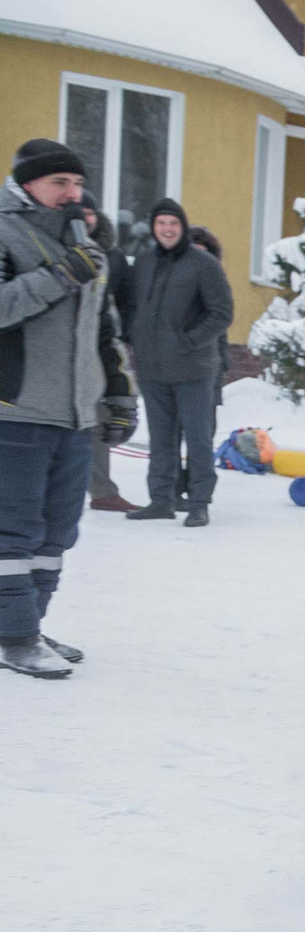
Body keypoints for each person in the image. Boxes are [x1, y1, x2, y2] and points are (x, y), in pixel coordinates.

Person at [0, 139, 138, 680]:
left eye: (77, 184)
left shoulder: (87, 245)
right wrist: (60, 275)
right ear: (28, 184)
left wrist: (119, 395)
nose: (73, 194)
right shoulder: (6, 232)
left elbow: (105, 329)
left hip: (75, 415)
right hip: (16, 410)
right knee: (13, 532)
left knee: (57, 535)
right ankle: (15, 636)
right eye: (60, 183)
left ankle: (24, 623)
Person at [121, 197, 233, 527]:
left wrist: (189, 341)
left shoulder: (203, 264)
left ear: (182, 228)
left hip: (193, 369)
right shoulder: (142, 262)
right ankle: (161, 500)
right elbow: (131, 305)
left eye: (173, 223)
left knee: (198, 439)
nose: (167, 229)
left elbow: (222, 313)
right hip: (152, 369)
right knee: (161, 439)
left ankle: (199, 502)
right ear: (153, 228)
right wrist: (133, 336)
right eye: (161, 223)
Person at [76, 201, 141, 513]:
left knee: (100, 418)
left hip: (99, 347)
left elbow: (126, 298)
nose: (85, 217)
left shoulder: (112, 256)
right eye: (80, 212)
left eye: (89, 212)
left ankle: (102, 490)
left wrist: (121, 333)